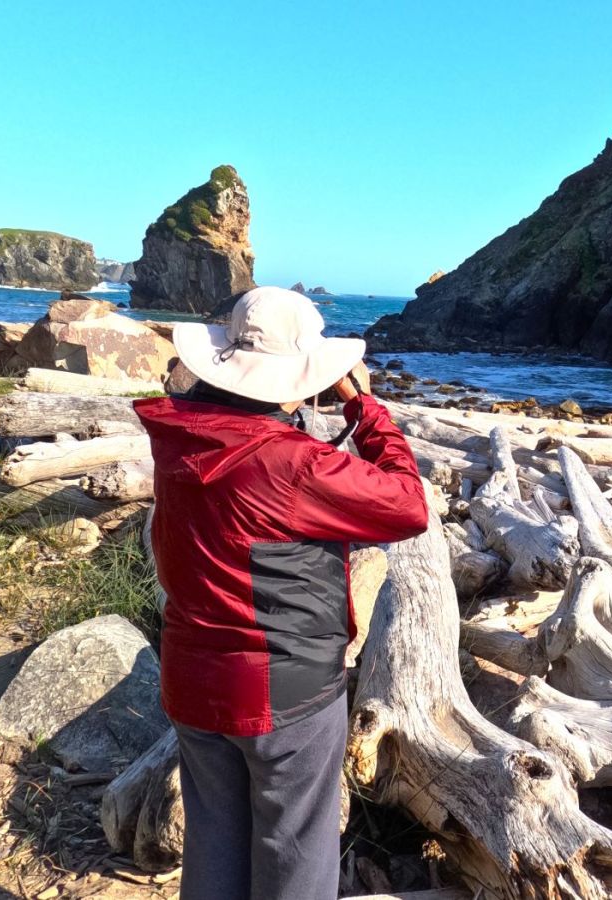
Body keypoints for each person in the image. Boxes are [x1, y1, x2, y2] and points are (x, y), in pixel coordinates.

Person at [134, 286, 430, 900]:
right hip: (283, 688)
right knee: (295, 853)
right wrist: (367, 409)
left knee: (214, 846)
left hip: (191, 674)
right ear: (297, 373)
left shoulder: (180, 436)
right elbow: (406, 506)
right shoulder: (294, 463)